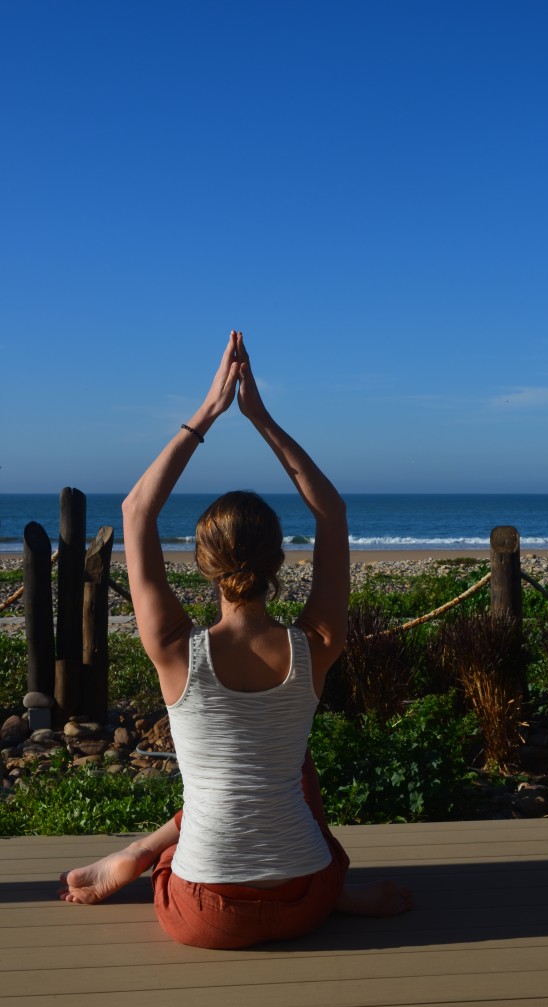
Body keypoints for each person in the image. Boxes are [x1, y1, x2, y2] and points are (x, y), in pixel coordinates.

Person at [58, 331, 413, 948]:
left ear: (201, 563)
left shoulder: (175, 649)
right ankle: (340, 897)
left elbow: (137, 508)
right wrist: (262, 419)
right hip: (307, 898)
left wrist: (209, 413)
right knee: (290, 765)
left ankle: (142, 853)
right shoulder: (317, 643)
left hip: (206, 914)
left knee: (227, 786)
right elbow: (331, 512)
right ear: (280, 559)